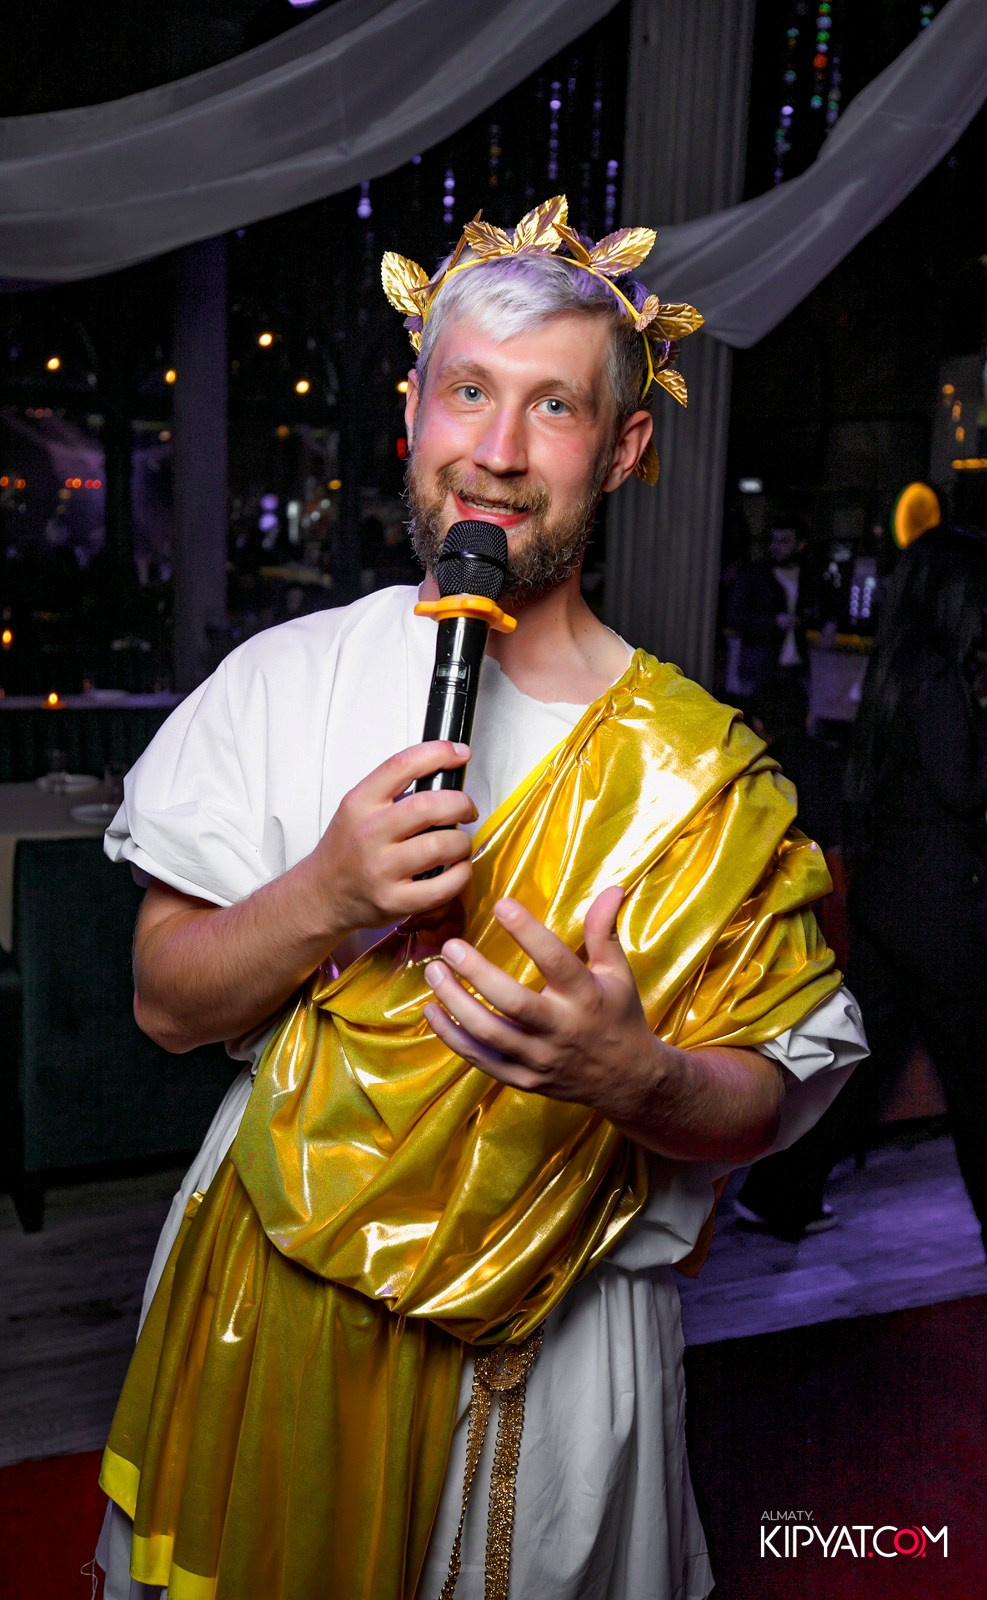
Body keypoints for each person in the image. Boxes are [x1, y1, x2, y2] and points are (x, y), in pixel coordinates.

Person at [95, 196, 866, 1600]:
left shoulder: (701, 772)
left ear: (621, 447)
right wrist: (325, 894)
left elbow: (765, 1100)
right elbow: (161, 1003)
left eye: (553, 407)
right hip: (268, 1293)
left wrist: (630, 1074)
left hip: (554, 1360)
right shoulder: (282, 681)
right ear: (412, 412)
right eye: (467, 392)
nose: (497, 452)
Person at [736, 520, 987, 1251]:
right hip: (932, 908)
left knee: (857, 1065)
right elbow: (964, 786)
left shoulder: (901, 662)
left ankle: (778, 1194)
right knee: (977, 1084)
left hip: (892, 895)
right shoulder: (934, 673)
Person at [726, 519, 818, 695]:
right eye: (774, 540)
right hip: (760, 670)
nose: (776, 546)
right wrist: (774, 622)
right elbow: (735, 618)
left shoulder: (808, 576)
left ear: (801, 545)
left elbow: (817, 611)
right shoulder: (754, 575)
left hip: (795, 671)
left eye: (784, 541)